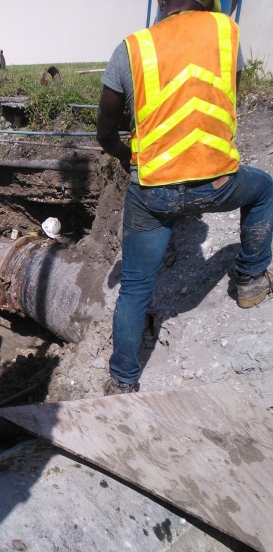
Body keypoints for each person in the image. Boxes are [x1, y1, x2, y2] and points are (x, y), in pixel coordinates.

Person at [96, 0, 273, 395]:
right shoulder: (225, 31)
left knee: (136, 286)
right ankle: (250, 280)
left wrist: (131, 157)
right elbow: (228, 98)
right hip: (217, 182)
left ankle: (122, 381)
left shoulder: (132, 49)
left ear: (160, 3)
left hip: (154, 191)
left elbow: (105, 134)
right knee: (262, 190)